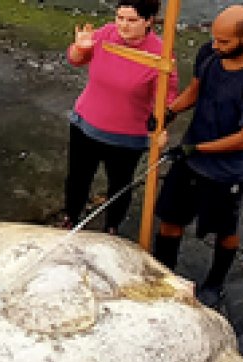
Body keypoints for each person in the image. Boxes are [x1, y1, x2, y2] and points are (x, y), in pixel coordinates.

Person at [150, 4, 243, 307]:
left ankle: (215, 283)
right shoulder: (210, 54)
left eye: (224, 42)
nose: (216, 47)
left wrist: (198, 148)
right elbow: (196, 89)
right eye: (215, 39)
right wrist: (169, 113)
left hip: (226, 170)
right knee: (170, 219)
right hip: (191, 158)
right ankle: (163, 274)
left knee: (224, 230)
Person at [61, 1, 177, 234]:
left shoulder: (160, 54)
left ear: (148, 21)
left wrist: (161, 126)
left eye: (131, 20)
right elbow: (75, 60)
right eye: (120, 17)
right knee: (77, 179)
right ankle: (70, 218)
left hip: (126, 137)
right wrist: (80, 47)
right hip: (86, 124)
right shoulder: (105, 34)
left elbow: (166, 98)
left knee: (120, 186)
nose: (123, 25)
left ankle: (112, 227)